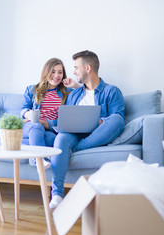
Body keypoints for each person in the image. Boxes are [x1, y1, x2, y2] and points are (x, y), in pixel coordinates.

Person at [49, 50, 125, 210]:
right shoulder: (74, 94)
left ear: (88, 68)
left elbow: (117, 118)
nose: (74, 71)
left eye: (76, 67)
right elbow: (65, 118)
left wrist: (99, 121)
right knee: (61, 138)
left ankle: (75, 149)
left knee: (117, 120)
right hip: (73, 133)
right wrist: (48, 124)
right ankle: (57, 194)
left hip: (98, 133)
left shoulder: (112, 91)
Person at [21, 58, 73, 169]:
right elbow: (24, 109)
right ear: (46, 72)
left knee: (52, 139)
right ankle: (40, 159)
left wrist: (74, 84)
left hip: (50, 129)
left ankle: (36, 155)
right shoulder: (32, 90)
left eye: (60, 72)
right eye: (53, 71)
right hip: (31, 126)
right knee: (36, 127)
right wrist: (28, 114)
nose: (56, 75)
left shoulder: (67, 92)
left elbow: (67, 118)